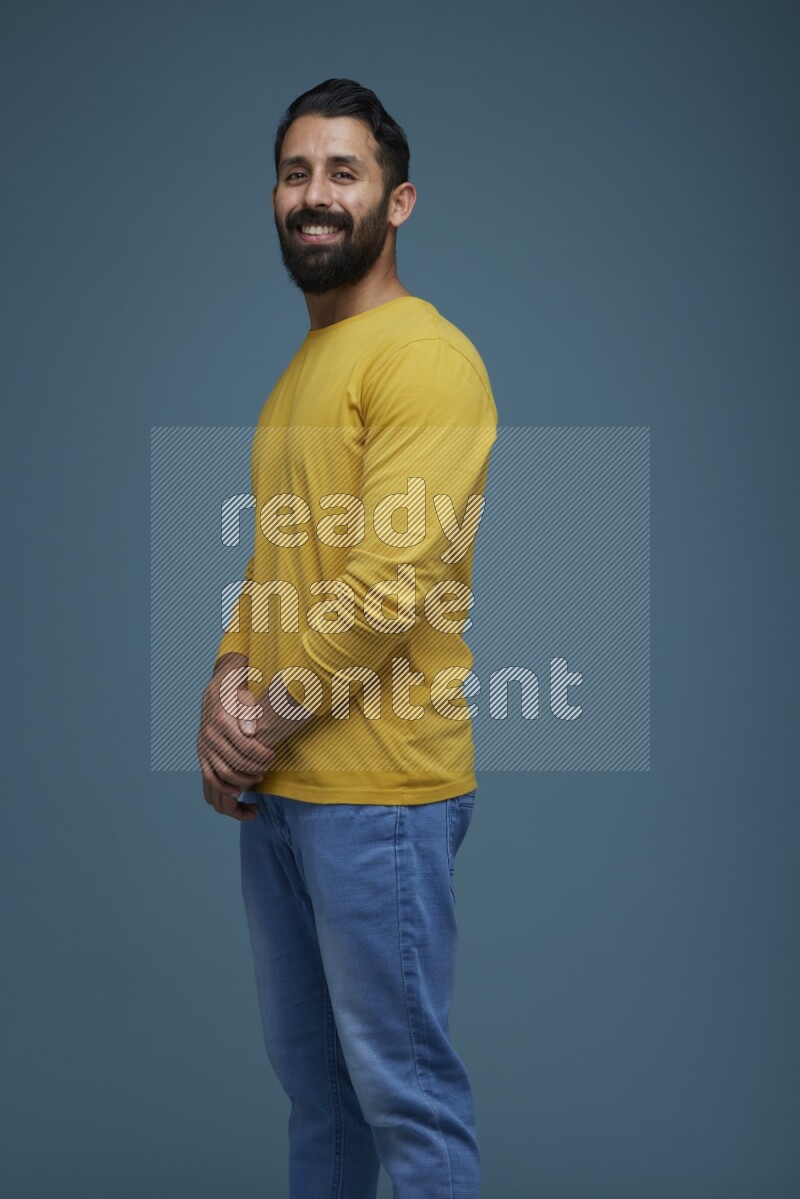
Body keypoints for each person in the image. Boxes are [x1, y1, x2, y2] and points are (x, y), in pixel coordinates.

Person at [196, 77, 497, 1199]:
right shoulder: (302, 371)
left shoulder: (424, 359)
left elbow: (384, 591)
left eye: (342, 171)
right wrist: (226, 684)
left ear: (396, 201)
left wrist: (261, 720)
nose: (314, 194)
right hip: (285, 791)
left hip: (379, 797)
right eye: (295, 172)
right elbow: (276, 565)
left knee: (403, 1099)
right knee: (321, 1100)